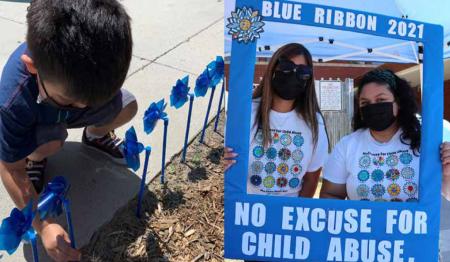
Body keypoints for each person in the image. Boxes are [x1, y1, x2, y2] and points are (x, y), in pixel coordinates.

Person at [0, 0, 135, 261]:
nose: (82, 107)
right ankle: (36, 159)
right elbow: (9, 168)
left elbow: (84, 100)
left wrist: (84, 102)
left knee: (127, 106)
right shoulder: (13, 101)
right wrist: (43, 224)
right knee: (53, 143)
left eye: (92, 99)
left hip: (57, 110)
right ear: (32, 66)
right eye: (71, 99)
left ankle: (95, 135)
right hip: (40, 123)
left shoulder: (86, 75)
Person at [320, 69, 450, 201]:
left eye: (381, 99)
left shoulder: (429, 138)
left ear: (398, 102)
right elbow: (331, 195)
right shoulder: (347, 145)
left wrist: (447, 174)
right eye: (365, 103)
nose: (373, 107)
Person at [224, 43, 328, 197]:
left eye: (303, 71)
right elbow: (228, 159)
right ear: (273, 68)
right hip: (245, 211)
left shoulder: (315, 123)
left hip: (287, 214)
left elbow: (311, 179)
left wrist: (296, 213)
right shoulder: (245, 112)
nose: (294, 74)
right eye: (286, 66)